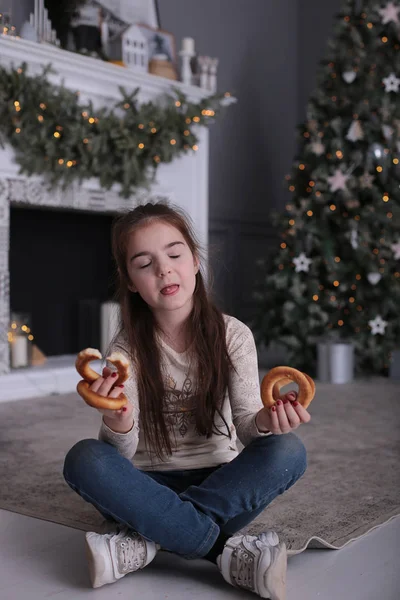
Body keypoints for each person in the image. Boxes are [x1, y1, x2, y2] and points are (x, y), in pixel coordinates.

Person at [63, 202, 310, 600]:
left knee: (288, 451)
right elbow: (119, 455)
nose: (164, 269)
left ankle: (146, 541)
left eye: (174, 254)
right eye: (145, 263)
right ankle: (223, 553)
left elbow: (249, 428)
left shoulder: (234, 336)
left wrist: (267, 419)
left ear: (194, 261)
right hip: (145, 483)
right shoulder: (125, 349)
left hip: (220, 482)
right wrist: (118, 419)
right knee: (84, 458)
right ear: (129, 280)